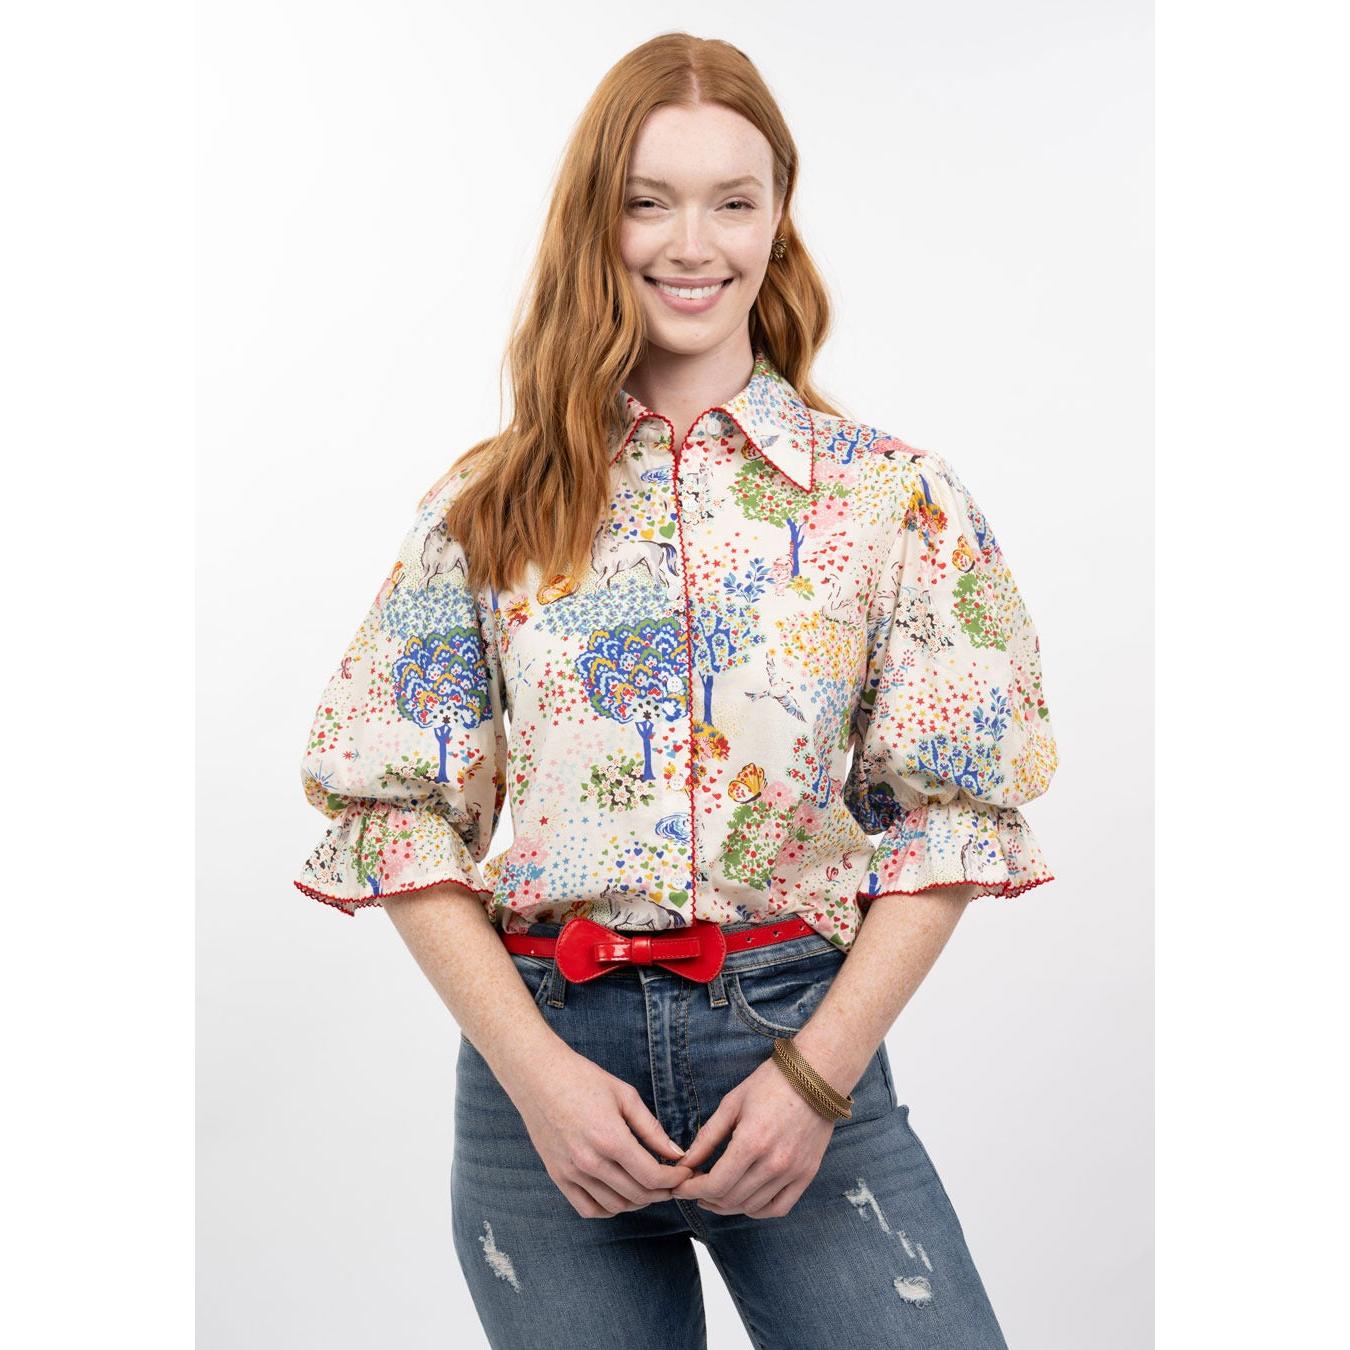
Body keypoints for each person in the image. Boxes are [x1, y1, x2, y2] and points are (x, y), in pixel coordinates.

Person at [292, 31, 1058, 1350]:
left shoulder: (893, 500)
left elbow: (951, 813)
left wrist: (815, 1079)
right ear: (596, 218)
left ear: (777, 219)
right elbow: (399, 807)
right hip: (544, 1086)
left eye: (731, 199)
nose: (689, 242)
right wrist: (539, 1082)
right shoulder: (488, 506)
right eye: (646, 199)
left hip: (795, 1044)